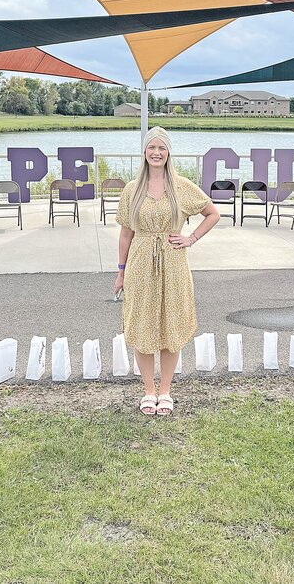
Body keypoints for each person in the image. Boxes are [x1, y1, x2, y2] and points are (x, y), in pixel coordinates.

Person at [114, 126, 220, 416]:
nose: (156, 152)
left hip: (173, 263)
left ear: (169, 152)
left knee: (170, 324)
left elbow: (213, 213)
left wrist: (191, 238)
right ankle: (149, 390)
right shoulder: (132, 189)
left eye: (162, 147)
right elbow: (125, 234)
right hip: (139, 263)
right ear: (145, 152)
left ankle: (166, 391)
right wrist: (121, 271)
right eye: (152, 147)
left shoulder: (181, 186)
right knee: (142, 324)